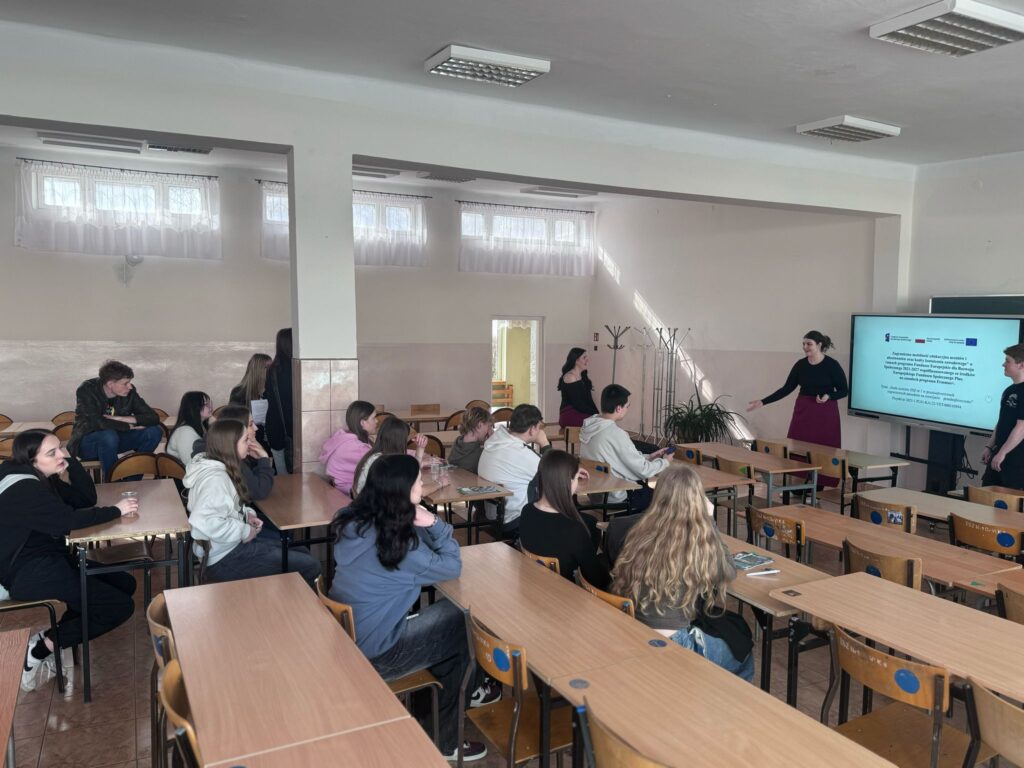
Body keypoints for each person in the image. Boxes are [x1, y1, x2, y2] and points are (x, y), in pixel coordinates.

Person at [329, 454, 489, 762]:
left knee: (450, 623)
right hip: (378, 653)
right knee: (465, 622)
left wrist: (415, 520)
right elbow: (451, 566)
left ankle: (445, 698)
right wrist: (434, 523)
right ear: (402, 491)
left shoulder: (355, 521)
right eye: (418, 481)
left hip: (350, 637)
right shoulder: (399, 547)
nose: (422, 485)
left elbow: (423, 551)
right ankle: (445, 740)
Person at [0, 429, 138, 692]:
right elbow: (67, 521)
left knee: (124, 584)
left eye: (60, 448)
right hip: (25, 573)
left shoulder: (40, 477)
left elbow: (84, 499)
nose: (60, 455)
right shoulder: (23, 488)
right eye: (52, 453)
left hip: (49, 560)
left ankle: (50, 638)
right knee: (118, 606)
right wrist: (116, 510)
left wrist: (70, 461)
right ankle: (40, 650)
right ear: (31, 459)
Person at [611, 463, 754, 681]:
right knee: (742, 652)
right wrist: (710, 521)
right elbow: (728, 572)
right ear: (697, 498)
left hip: (636, 628)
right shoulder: (699, 540)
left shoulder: (639, 531)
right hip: (676, 640)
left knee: (729, 628)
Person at [184, 420, 319, 584]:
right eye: (245, 440)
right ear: (231, 445)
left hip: (229, 548)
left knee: (301, 551)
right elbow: (204, 521)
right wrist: (245, 531)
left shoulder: (223, 467)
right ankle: (288, 600)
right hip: (224, 559)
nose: (249, 443)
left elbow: (228, 508)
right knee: (310, 565)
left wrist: (247, 515)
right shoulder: (216, 479)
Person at [518, 450, 610, 589]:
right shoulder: (574, 528)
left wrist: (571, 471)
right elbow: (598, 580)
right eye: (576, 478)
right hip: (564, 592)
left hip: (533, 584)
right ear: (568, 482)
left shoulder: (527, 511)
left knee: (590, 522)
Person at [747, 330, 848, 449]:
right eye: (803, 344)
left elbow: (844, 391)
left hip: (826, 412)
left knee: (825, 449)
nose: (805, 347)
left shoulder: (832, 365)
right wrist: (763, 401)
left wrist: (829, 396)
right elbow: (787, 388)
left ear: (819, 345)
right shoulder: (800, 365)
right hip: (804, 411)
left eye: (809, 344)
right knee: (797, 447)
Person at [580, 384, 671, 514]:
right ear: (619, 408)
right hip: (616, 497)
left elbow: (617, 459)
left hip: (596, 494)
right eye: (627, 406)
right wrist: (665, 461)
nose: (627, 409)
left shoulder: (589, 427)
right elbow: (643, 471)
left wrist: (650, 457)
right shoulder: (616, 434)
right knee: (665, 496)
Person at [68, 360, 163, 480]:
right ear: (110, 384)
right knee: (108, 435)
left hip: (116, 439)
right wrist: (128, 426)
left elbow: (153, 417)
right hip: (87, 444)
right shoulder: (87, 389)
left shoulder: (130, 392)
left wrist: (120, 418)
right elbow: (95, 422)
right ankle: (113, 482)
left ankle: (132, 480)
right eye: (125, 383)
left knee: (154, 431)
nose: (130, 386)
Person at [478, 404, 552, 534]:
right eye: (539, 427)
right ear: (532, 429)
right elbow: (554, 472)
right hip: (514, 521)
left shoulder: (494, 442)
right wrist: (545, 444)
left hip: (491, 516)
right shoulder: (520, 453)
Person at [192, 405, 274, 502]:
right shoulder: (228, 457)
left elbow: (254, 481)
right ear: (235, 428)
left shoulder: (218, 447)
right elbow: (259, 491)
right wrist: (264, 459)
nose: (256, 428)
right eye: (251, 424)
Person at [981, 344, 1024, 489]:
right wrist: (990, 446)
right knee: (984, 494)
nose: (1003, 364)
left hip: (1016, 461)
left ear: (1021, 365)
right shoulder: (1009, 390)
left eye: (1007, 361)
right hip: (999, 455)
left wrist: (1003, 453)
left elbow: (1021, 428)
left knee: (1009, 499)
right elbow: (1002, 422)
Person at [351, 416, 428, 496]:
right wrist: (438, 484)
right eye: (405, 440)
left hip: (366, 500)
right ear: (399, 442)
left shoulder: (375, 456)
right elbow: (415, 488)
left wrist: (420, 448)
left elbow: (412, 476)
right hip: (374, 502)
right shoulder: (385, 462)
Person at [321, 401, 377, 493]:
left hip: (340, 488)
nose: (377, 421)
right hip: (346, 493)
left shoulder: (344, 436)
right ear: (363, 422)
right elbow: (379, 464)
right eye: (374, 418)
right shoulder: (355, 447)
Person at [265, 328, 294, 474]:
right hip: (292, 429)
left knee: (283, 475)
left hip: (275, 427)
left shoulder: (272, 369)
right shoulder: (297, 368)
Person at [229, 352, 272, 451]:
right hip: (249, 442)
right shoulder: (239, 392)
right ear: (259, 370)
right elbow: (235, 422)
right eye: (268, 368)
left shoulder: (270, 390)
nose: (272, 371)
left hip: (269, 440)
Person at [166, 391, 212, 465]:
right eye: (206, 404)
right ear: (194, 407)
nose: (210, 407)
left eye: (210, 403)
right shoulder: (185, 432)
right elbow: (191, 463)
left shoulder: (201, 425)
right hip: (186, 471)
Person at [557, 347, 599, 428]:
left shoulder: (582, 376)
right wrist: (595, 415)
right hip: (569, 414)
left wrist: (597, 414)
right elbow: (578, 404)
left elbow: (589, 400)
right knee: (599, 423)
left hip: (579, 412)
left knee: (601, 421)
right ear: (576, 360)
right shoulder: (570, 377)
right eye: (584, 357)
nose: (587, 360)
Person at [447, 407, 494, 474]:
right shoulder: (480, 453)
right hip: (472, 480)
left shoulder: (457, 442)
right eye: (489, 426)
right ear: (479, 425)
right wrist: (492, 441)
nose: (491, 430)